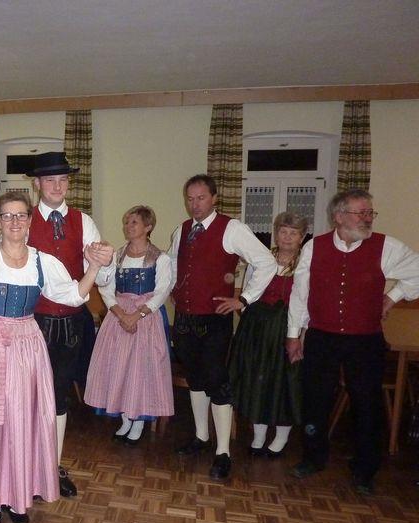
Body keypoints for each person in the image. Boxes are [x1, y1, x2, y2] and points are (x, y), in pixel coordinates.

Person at [0, 191, 113, 523]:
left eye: (20, 215)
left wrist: (93, 267)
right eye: (7, 215)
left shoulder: (43, 261)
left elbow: (73, 295)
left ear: (30, 220)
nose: (14, 221)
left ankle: (17, 497)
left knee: (22, 421)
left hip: (28, 346)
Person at [286, 189, 419, 494]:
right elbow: (300, 293)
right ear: (339, 216)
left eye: (370, 212)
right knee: (315, 400)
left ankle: (364, 469)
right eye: (361, 213)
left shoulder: (386, 247)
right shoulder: (314, 247)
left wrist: (393, 296)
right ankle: (313, 457)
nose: (368, 218)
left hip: (365, 340)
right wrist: (294, 335)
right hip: (322, 336)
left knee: (367, 404)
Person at [170, 174, 277, 481]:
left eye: (201, 198)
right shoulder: (182, 230)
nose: (195, 204)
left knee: (218, 382)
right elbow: (173, 264)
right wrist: (173, 289)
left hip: (214, 320)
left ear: (214, 198)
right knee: (196, 380)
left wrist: (243, 299)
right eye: (190, 198)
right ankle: (201, 437)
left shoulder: (232, 228)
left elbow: (266, 262)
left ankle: (223, 452)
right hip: (185, 319)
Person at [25, 151, 114, 497]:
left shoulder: (83, 221)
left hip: (72, 324)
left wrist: (102, 261)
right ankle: (26, 467)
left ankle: (52, 467)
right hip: (32, 321)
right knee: (30, 397)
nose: (57, 186)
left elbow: (102, 276)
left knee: (60, 395)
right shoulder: (24, 221)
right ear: (38, 184)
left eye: (63, 180)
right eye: (50, 180)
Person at [84, 205, 174, 444]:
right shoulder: (117, 256)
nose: (128, 226)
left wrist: (137, 315)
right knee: (119, 368)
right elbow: (106, 288)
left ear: (148, 226)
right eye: (127, 222)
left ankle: (138, 421)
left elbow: (162, 291)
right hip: (118, 317)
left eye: (134, 222)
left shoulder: (161, 258)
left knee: (141, 371)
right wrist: (120, 313)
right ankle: (125, 418)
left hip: (146, 319)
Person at [229, 212, 308, 458]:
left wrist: (301, 335)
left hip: (288, 329)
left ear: (302, 237)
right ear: (276, 233)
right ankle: (259, 434)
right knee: (257, 381)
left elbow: (307, 302)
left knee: (283, 384)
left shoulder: (306, 264)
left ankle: (281, 437)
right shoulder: (262, 258)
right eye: (283, 231)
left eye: (293, 233)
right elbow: (249, 290)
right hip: (258, 329)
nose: (287, 237)